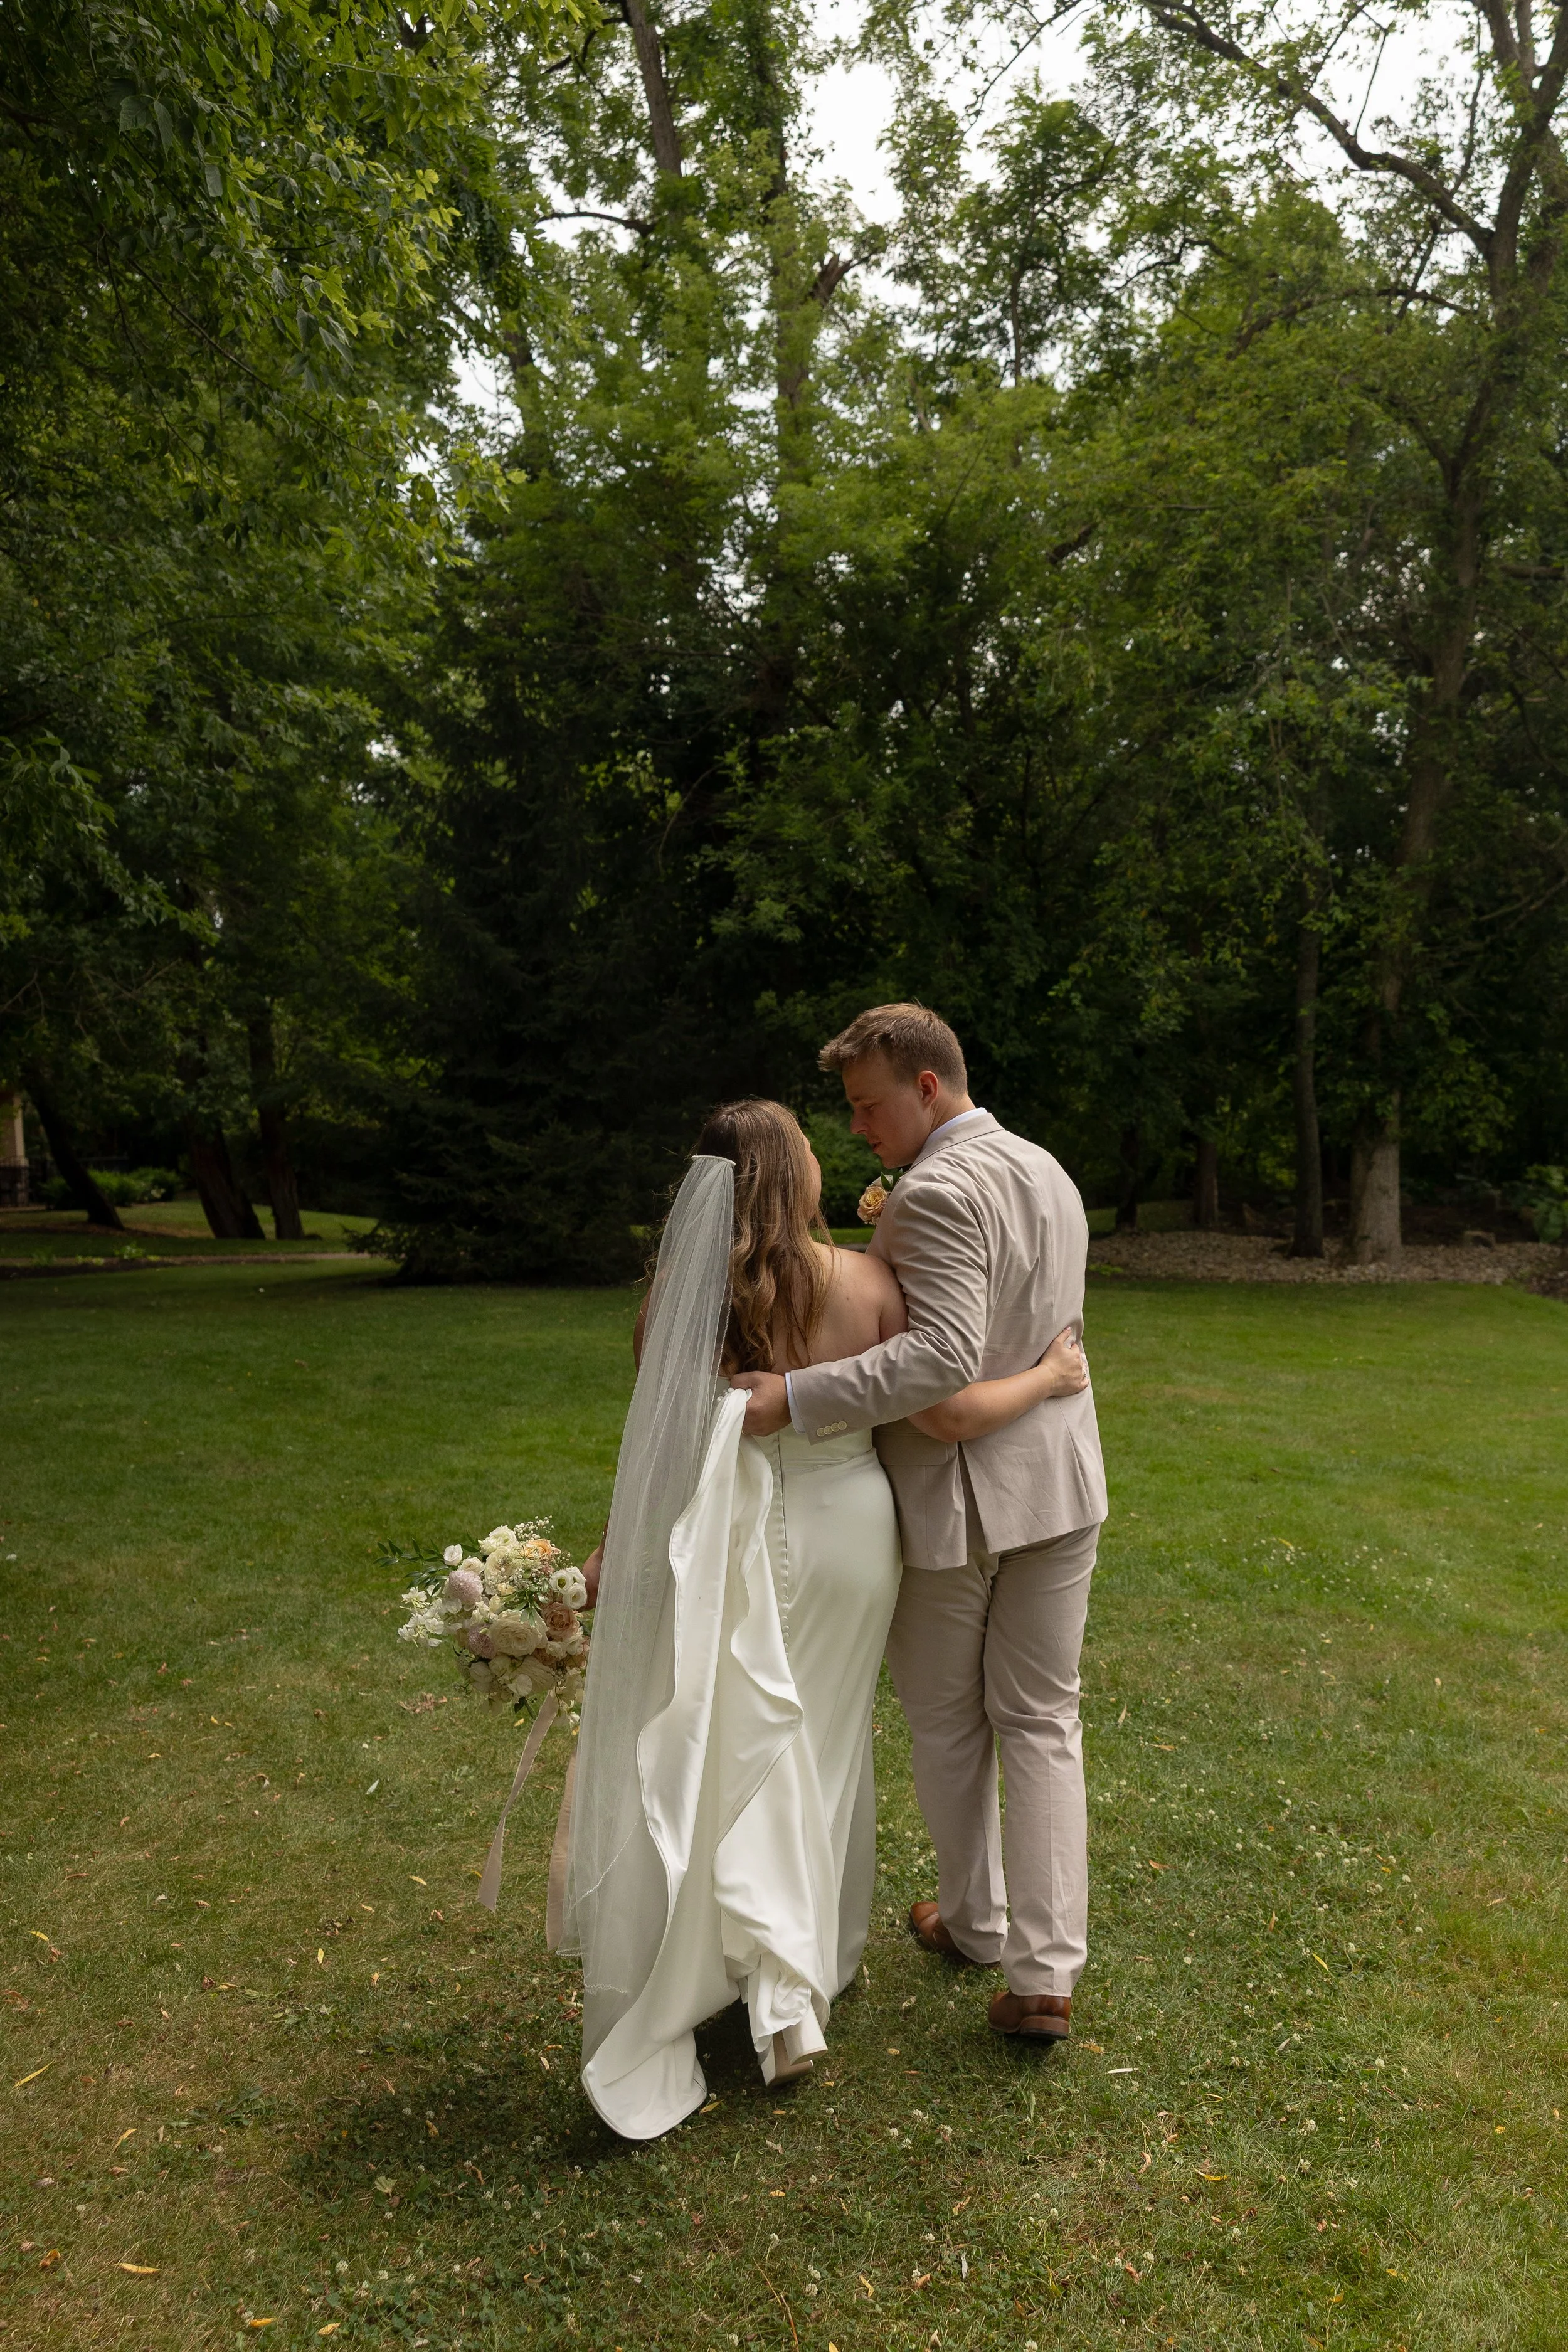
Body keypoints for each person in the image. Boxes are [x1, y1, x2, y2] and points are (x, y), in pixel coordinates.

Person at [562, 1098, 1086, 2139]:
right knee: (826, 1742)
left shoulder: (682, 1294)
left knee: (739, 1739)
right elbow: (934, 1406)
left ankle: (745, 1964)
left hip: (732, 1540)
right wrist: (1049, 1375)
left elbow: (663, 1451)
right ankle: (799, 1974)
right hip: (854, 1535)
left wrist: (605, 1563)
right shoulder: (865, 1283)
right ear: (793, 1175)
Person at [734, 1005, 1108, 2045]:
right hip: (1062, 1485)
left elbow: (941, 1365)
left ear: (929, 1087)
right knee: (1042, 1717)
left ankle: (983, 1922)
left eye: (869, 1104)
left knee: (950, 1721)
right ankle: (1043, 1972)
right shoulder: (1048, 1169)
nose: (858, 1128)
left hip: (963, 1494)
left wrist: (795, 1398)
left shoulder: (937, 1189)